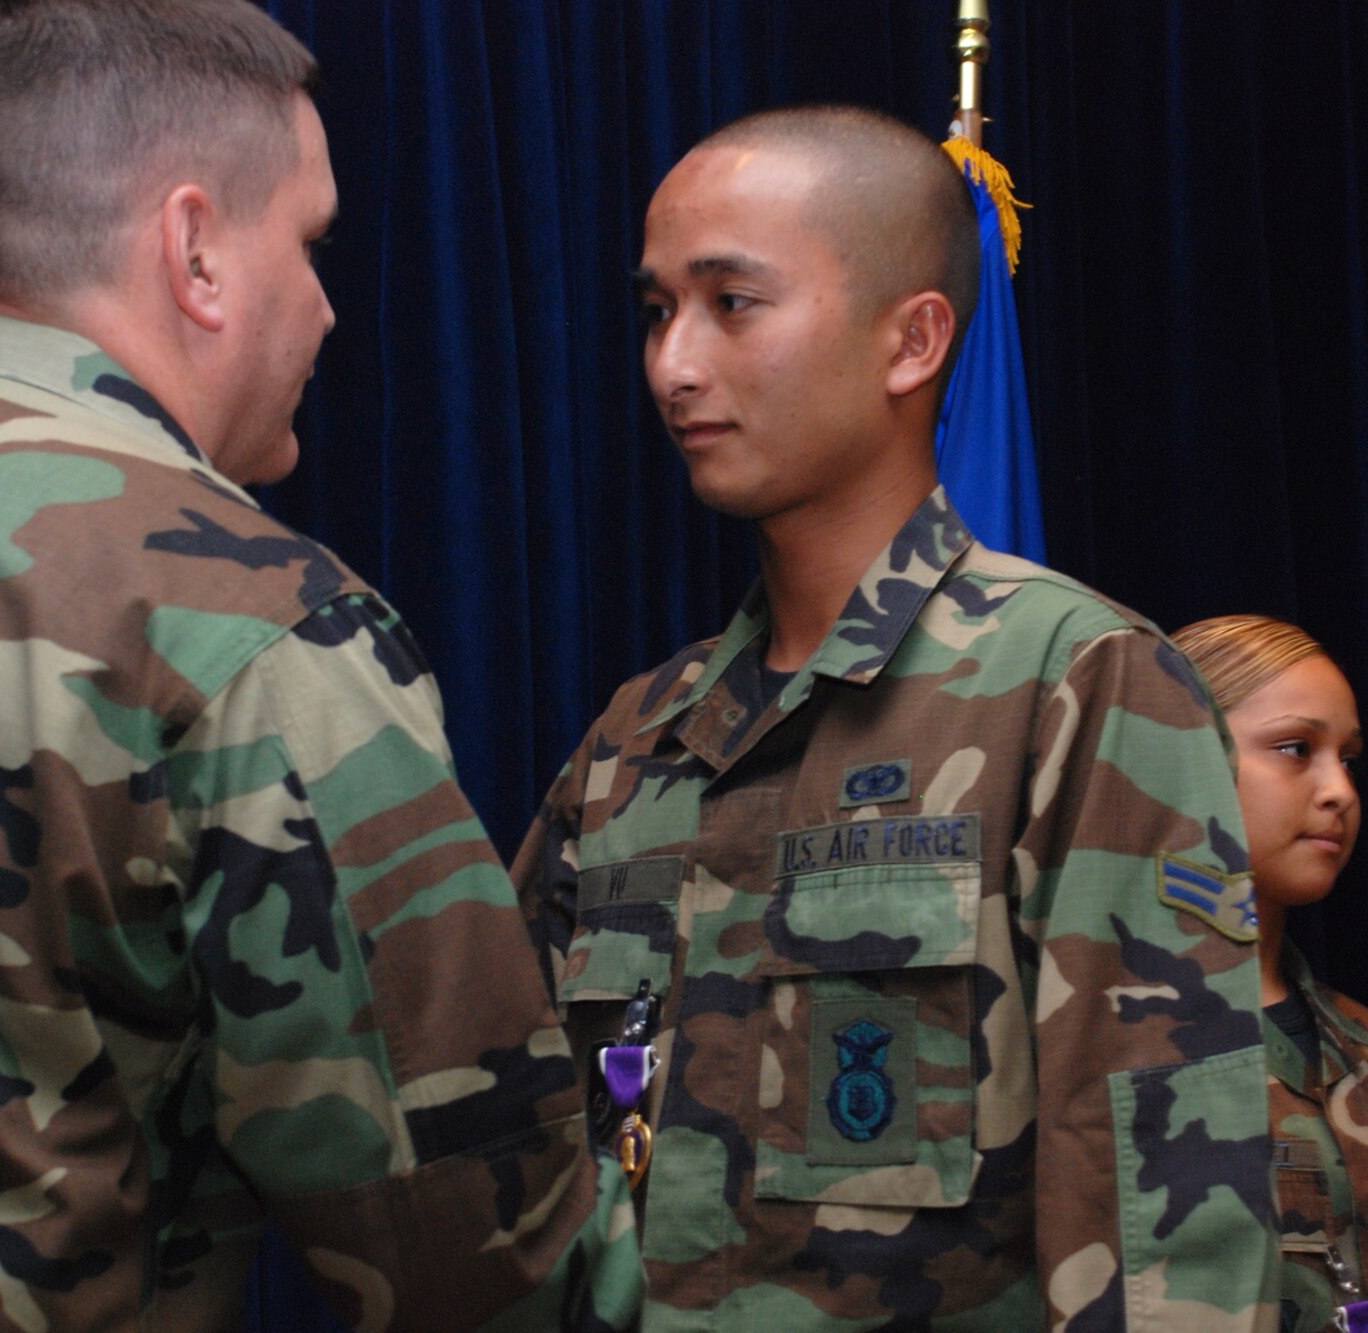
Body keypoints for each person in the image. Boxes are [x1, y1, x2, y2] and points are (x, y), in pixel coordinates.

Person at [0, 2, 639, 1328]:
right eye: (309, 244)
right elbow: (471, 1254)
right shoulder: (247, 618)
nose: (324, 305)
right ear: (194, 248)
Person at [511, 103, 1281, 1329]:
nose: (674, 364)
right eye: (656, 312)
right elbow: (518, 1155)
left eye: (731, 303)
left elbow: (1162, 1215)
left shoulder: (1077, 686)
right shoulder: (634, 740)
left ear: (912, 340)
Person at [1174, 616, 1368, 1332]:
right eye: (1296, 749)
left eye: (1349, 757)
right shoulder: (1110, 1047)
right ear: (1181, 755)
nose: (1339, 789)